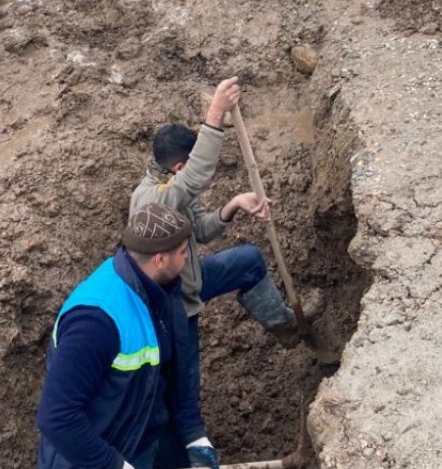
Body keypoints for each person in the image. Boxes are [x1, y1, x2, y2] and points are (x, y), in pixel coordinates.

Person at [129, 77, 325, 394]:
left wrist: (233, 205)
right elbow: (198, 174)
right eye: (187, 167)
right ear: (179, 166)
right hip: (173, 303)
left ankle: (285, 326)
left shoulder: (173, 187)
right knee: (184, 385)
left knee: (248, 261)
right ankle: (186, 437)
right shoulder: (153, 199)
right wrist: (216, 113)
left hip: (191, 275)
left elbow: (203, 232)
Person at [36, 203, 222, 469]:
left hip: (144, 421)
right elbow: (57, 417)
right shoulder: (96, 321)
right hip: (105, 451)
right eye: (184, 252)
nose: (189, 259)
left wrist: (194, 434)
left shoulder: (163, 293)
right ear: (160, 259)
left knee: (182, 454)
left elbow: (175, 375)